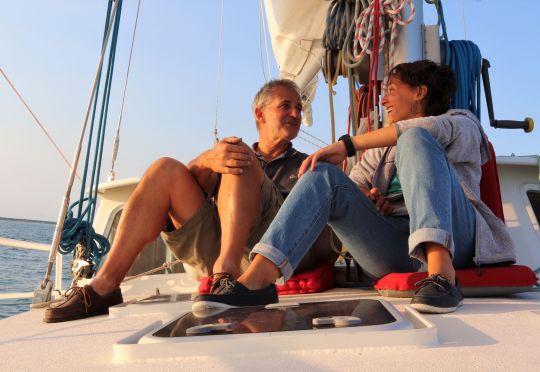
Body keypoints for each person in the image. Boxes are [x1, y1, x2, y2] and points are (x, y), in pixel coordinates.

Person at [193, 60, 516, 314]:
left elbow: (427, 129)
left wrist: (346, 145)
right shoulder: (379, 148)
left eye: (391, 89)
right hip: (395, 247)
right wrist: (368, 198)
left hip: (458, 240)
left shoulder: (462, 122)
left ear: (419, 92)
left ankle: (442, 276)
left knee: (415, 138)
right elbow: (349, 188)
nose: (384, 99)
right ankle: (258, 279)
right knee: (323, 176)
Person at [43, 79, 338, 323]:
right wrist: (210, 159)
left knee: (238, 154)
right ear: (260, 114)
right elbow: (191, 182)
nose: (296, 114)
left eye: (299, 107)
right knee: (166, 169)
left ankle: (227, 272)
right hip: (222, 246)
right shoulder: (230, 155)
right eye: (286, 106)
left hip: (276, 255)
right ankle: (104, 286)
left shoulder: (310, 165)